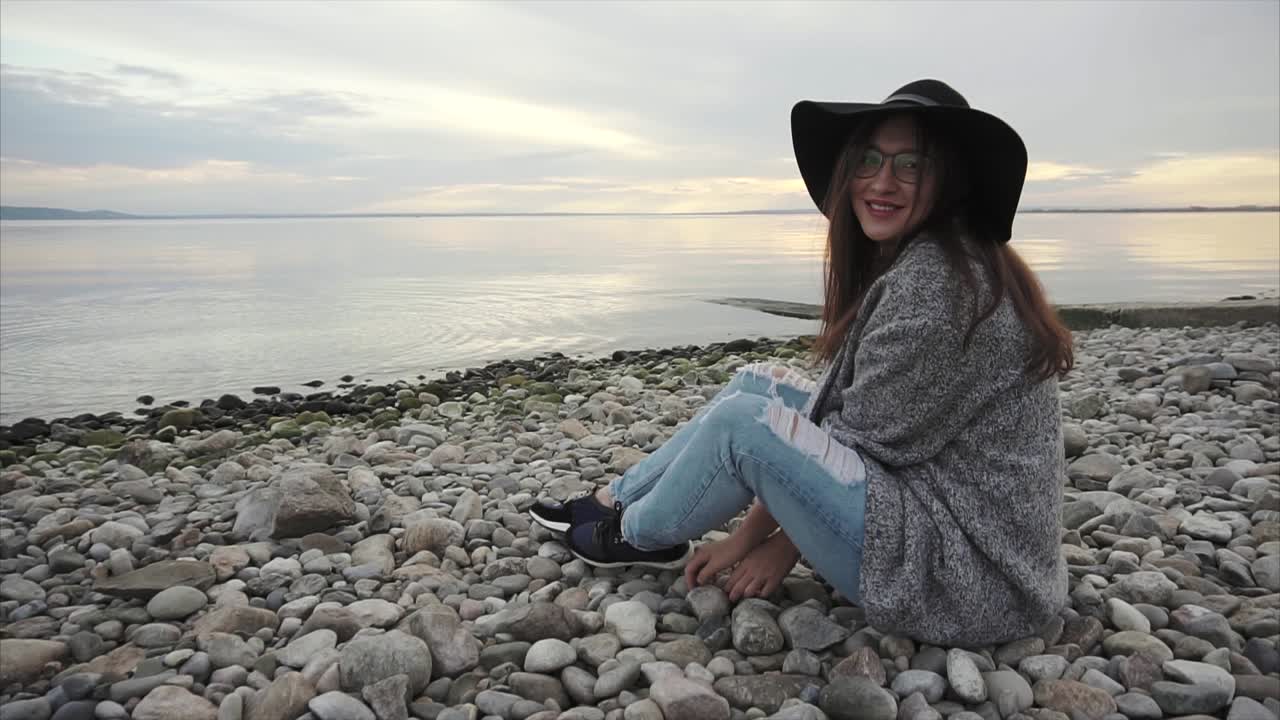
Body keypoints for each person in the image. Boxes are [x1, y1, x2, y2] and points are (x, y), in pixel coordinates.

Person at [531, 79, 1073, 647]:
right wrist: (776, 533)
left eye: (911, 165)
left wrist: (761, 543)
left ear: (951, 180)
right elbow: (852, 427)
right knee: (757, 385)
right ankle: (614, 499)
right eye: (869, 159)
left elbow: (856, 449)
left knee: (744, 425)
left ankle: (632, 534)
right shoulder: (948, 259)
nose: (882, 181)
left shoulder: (937, 288)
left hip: (970, 582)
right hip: (950, 526)